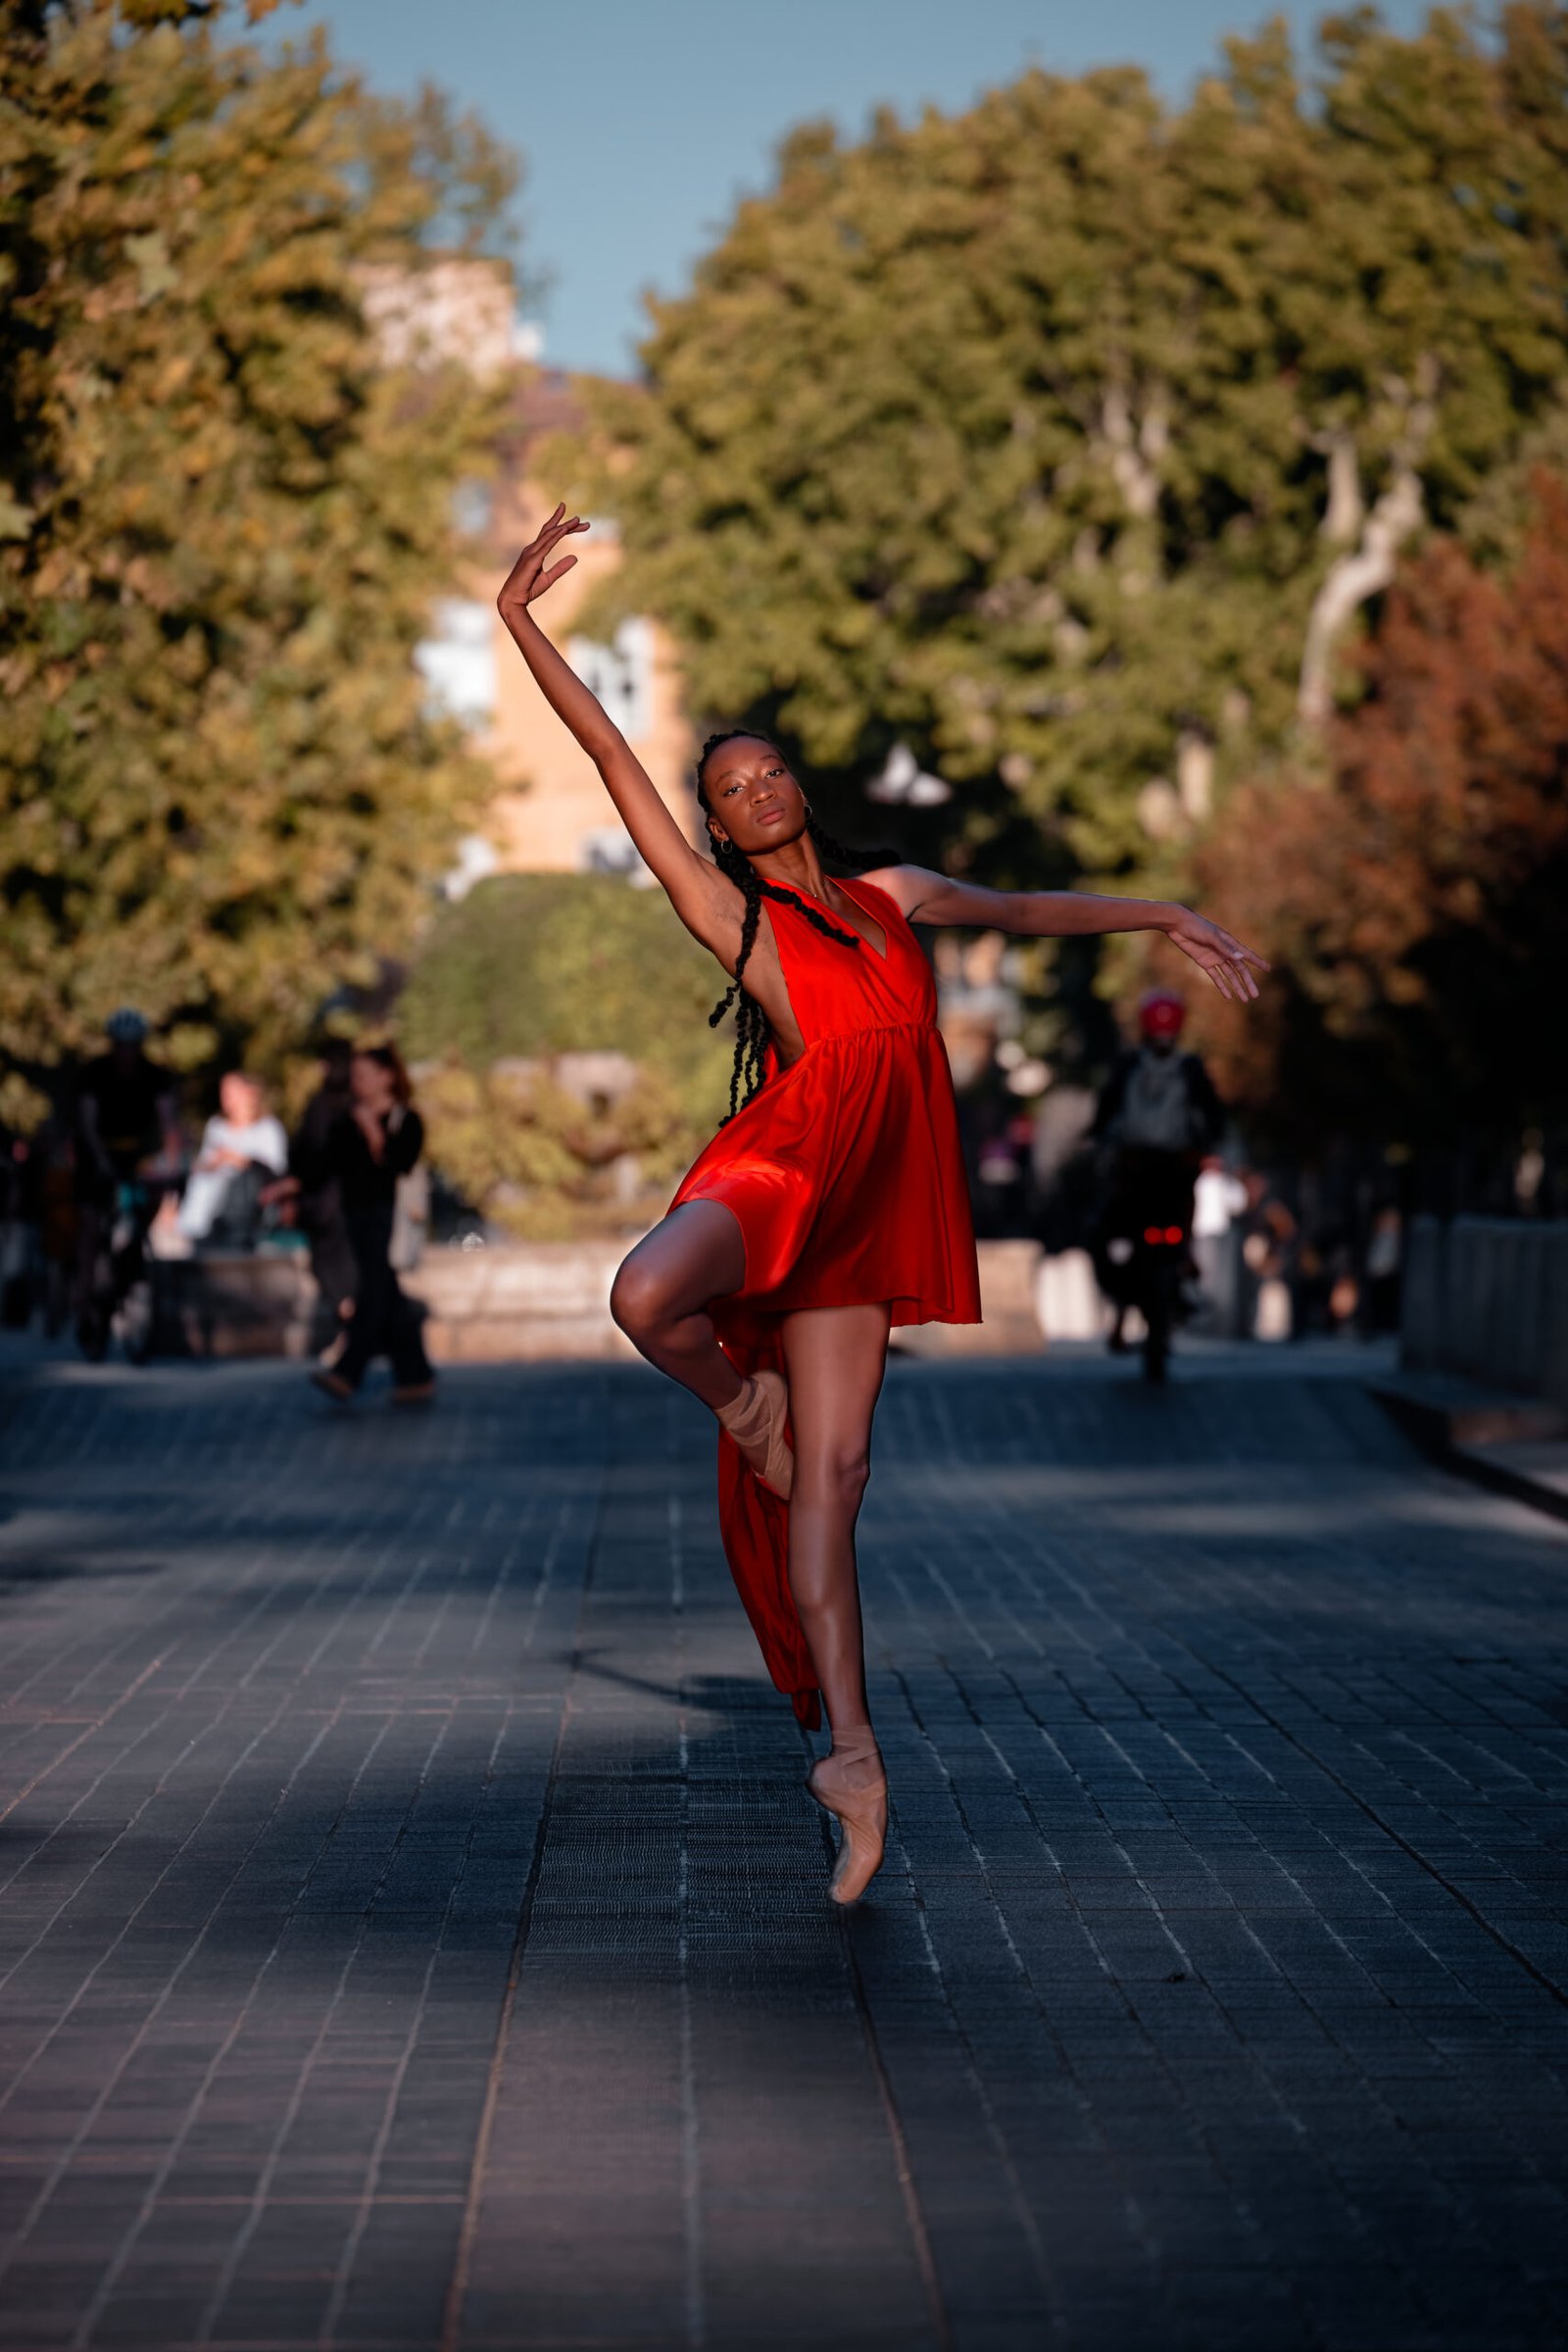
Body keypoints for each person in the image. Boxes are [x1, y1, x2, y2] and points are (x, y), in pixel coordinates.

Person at [496, 506, 1267, 1905]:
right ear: (718, 832)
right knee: (643, 1298)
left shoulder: (892, 898)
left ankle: (849, 1757)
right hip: (780, 1166)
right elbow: (612, 757)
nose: (760, 793)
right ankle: (745, 1405)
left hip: (870, 1210)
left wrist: (1160, 911)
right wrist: (521, 624)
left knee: (835, 1487)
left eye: (770, 771)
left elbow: (1027, 909)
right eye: (731, 790)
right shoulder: (739, 923)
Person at [1093, 990, 1225, 1352]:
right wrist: (1209, 1145)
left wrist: (1097, 1139)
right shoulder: (1190, 1068)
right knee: (1181, 1227)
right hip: (1178, 1168)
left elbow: (1105, 1112)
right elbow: (1213, 1116)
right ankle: (1184, 1268)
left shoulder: (1128, 1066)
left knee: (1112, 1232)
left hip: (1135, 1168)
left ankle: (1122, 1313)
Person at [308, 1046, 435, 1405]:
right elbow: (327, 1163)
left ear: (387, 1077)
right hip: (357, 1218)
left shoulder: (406, 1120)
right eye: (355, 1077)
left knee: (375, 1294)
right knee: (387, 1294)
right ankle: (416, 1375)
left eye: (364, 1076)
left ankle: (349, 1372)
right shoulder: (346, 1120)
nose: (357, 1083)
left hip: (389, 1220)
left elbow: (399, 1161)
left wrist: (373, 1133)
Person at [74, 1008, 182, 1342]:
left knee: (147, 1207)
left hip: (136, 1156)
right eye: (122, 1045)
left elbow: (167, 1123)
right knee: (91, 1227)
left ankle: (130, 1266)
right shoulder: (95, 1073)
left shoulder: (155, 1075)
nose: (127, 1052)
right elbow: (88, 1123)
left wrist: (171, 1161)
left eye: (132, 1045)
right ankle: (84, 1301)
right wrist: (102, 1161)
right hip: (97, 1154)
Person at [175, 1071, 289, 1247]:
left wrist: (237, 1159)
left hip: (249, 1207)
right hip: (209, 1209)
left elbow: (275, 1171)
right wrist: (216, 1162)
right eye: (223, 1091)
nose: (225, 1097)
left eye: (231, 1091)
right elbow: (203, 1166)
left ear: (250, 1093)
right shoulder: (216, 1126)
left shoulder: (268, 1128)